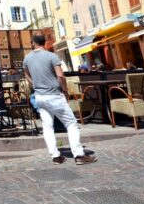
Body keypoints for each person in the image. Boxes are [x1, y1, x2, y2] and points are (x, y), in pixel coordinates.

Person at [23, 34, 97, 166]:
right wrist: (65, 90)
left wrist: (34, 84)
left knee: (47, 127)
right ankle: (79, 155)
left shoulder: (27, 58)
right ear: (44, 43)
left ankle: (56, 156)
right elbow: (60, 76)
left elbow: (26, 74)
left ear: (33, 43)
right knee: (71, 124)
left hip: (40, 96)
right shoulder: (51, 56)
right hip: (54, 95)